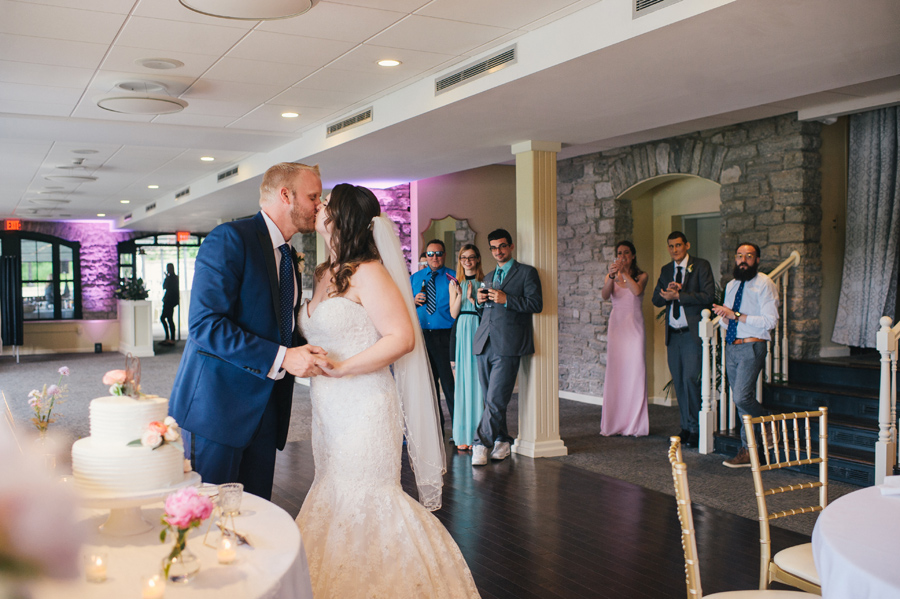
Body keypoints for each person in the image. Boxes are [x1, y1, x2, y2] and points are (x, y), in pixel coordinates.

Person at [295, 184, 480, 598]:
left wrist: (342, 367)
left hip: (365, 405)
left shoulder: (369, 272)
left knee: (365, 495)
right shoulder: (324, 272)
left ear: (342, 218)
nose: (320, 206)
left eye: (327, 203)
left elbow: (401, 338)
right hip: (328, 407)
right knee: (332, 491)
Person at [169, 162, 328, 501]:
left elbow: (279, 324)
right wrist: (284, 357)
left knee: (255, 517)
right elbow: (204, 325)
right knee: (207, 518)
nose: (320, 205)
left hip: (266, 412)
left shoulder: (288, 256)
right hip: (217, 411)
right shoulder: (230, 239)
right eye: (313, 196)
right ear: (286, 195)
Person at [471, 229, 543, 467]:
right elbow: (488, 312)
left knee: (495, 398)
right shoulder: (489, 275)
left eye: (502, 246)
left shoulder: (526, 273)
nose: (497, 251)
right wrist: (480, 303)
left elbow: (536, 304)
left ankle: (480, 443)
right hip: (484, 342)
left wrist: (507, 299)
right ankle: (502, 440)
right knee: (489, 398)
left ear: (510, 246)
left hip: (509, 343)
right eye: (493, 248)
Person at [712, 242, 779, 468]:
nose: (743, 260)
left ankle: (767, 419)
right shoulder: (731, 285)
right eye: (739, 255)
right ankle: (749, 451)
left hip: (753, 346)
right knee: (741, 403)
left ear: (757, 260)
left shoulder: (765, 284)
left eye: (748, 256)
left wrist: (736, 315)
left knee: (741, 397)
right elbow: (727, 318)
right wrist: (723, 315)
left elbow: (770, 321)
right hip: (732, 346)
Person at [651, 231, 714, 449]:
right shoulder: (666, 270)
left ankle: (697, 429)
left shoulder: (701, 266)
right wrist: (667, 292)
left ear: (686, 245)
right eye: (670, 246)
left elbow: (708, 296)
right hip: (673, 334)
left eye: (678, 245)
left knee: (690, 380)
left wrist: (680, 295)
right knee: (678, 381)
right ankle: (686, 427)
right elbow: (655, 299)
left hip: (691, 334)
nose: (674, 250)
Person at [599, 241, 649, 436]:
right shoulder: (610, 275)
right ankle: (615, 422)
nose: (622, 256)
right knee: (617, 373)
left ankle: (635, 423)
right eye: (619, 253)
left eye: (626, 253)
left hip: (634, 328)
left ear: (633, 255)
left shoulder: (641, 276)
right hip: (617, 327)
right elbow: (605, 295)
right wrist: (612, 276)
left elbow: (636, 291)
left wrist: (625, 272)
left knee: (635, 372)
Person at [410, 239, 456, 434]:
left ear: (444, 255)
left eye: (438, 253)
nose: (434, 257)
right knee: (429, 386)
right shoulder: (415, 278)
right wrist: (413, 301)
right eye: (430, 254)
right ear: (425, 257)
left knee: (449, 385)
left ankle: (458, 430)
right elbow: (404, 307)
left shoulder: (453, 277)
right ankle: (436, 430)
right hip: (422, 337)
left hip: (445, 336)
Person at [448, 244, 484, 451]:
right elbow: (453, 314)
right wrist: (461, 295)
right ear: (460, 260)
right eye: (463, 258)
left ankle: (478, 435)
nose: (467, 261)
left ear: (478, 259)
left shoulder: (484, 282)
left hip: (477, 329)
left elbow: (486, 313)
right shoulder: (454, 284)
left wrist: (473, 299)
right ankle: (462, 434)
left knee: (477, 383)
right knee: (461, 383)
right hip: (460, 331)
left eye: (471, 257)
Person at [160, 263, 179, 346]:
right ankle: (169, 338)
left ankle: (171, 339)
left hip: (169, 301)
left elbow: (165, 287)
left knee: (167, 318)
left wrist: (167, 278)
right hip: (169, 301)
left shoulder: (173, 278)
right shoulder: (174, 278)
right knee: (167, 318)